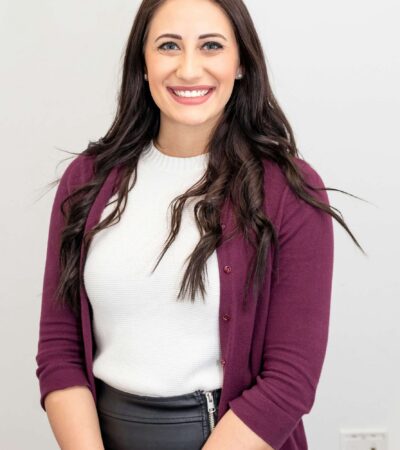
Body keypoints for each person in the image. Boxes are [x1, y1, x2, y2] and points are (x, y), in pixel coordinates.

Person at [35, 0, 364, 449]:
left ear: (241, 62)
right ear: (143, 63)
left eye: (211, 46)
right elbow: (59, 351)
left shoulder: (290, 191)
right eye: (169, 46)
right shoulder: (87, 179)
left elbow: (290, 380)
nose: (189, 70)